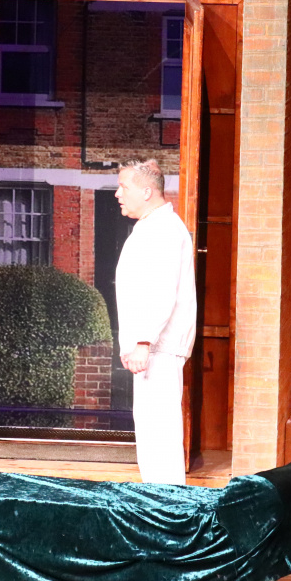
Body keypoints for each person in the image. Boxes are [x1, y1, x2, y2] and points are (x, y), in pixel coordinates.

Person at [114, 159, 196, 485]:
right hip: (153, 349)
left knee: (160, 435)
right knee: (152, 434)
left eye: (124, 187)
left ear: (147, 192)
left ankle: (169, 506)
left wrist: (144, 342)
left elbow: (163, 292)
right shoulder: (153, 226)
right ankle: (159, 503)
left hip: (158, 348)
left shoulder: (164, 229)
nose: (118, 194)